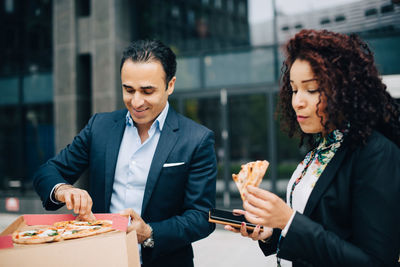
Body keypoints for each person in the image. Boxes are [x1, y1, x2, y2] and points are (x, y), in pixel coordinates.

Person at [33, 39, 217, 267]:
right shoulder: (100, 126)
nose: (136, 101)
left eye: (147, 91)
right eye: (128, 90)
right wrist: (63, 189)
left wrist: (150, 232)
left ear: (170, 85)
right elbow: (48, 171)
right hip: (101, 259)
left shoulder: (196, 139)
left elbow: (201, 217)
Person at [225, 29, 400, 266]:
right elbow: (320, 230)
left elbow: (375, 261)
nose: (297, 101)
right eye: (295, 89)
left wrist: (288, 221)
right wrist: (272, 232)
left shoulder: (376, 154)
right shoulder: (320, 149)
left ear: (344, 89)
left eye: (312, 89)